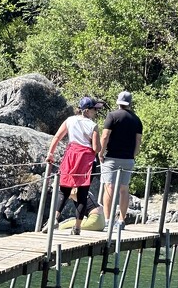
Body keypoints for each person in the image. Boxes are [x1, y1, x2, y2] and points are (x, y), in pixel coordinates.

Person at [45, 96, 101, 235]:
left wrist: (50, 154)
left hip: (71, 156)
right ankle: (77, 227)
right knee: (82, 194)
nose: (96, 112)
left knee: (64, 190)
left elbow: (57, 137)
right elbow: (96, 148)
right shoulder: (93, 126)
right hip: (86, 160)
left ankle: (54, 219)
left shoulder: (70, 120)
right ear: (87, 111)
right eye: (94, 109)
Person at [100, 90, 143, 228]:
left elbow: (105, 136)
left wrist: (100, 152)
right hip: (128, 158)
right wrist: (134, 155)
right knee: (124, 189)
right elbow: (138, 141)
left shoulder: (112, 116)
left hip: (111, 157)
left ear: (118, 102)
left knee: (109, 187)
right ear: (130, 103)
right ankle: (121, 220)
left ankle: (107, 220)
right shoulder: (136, 120)